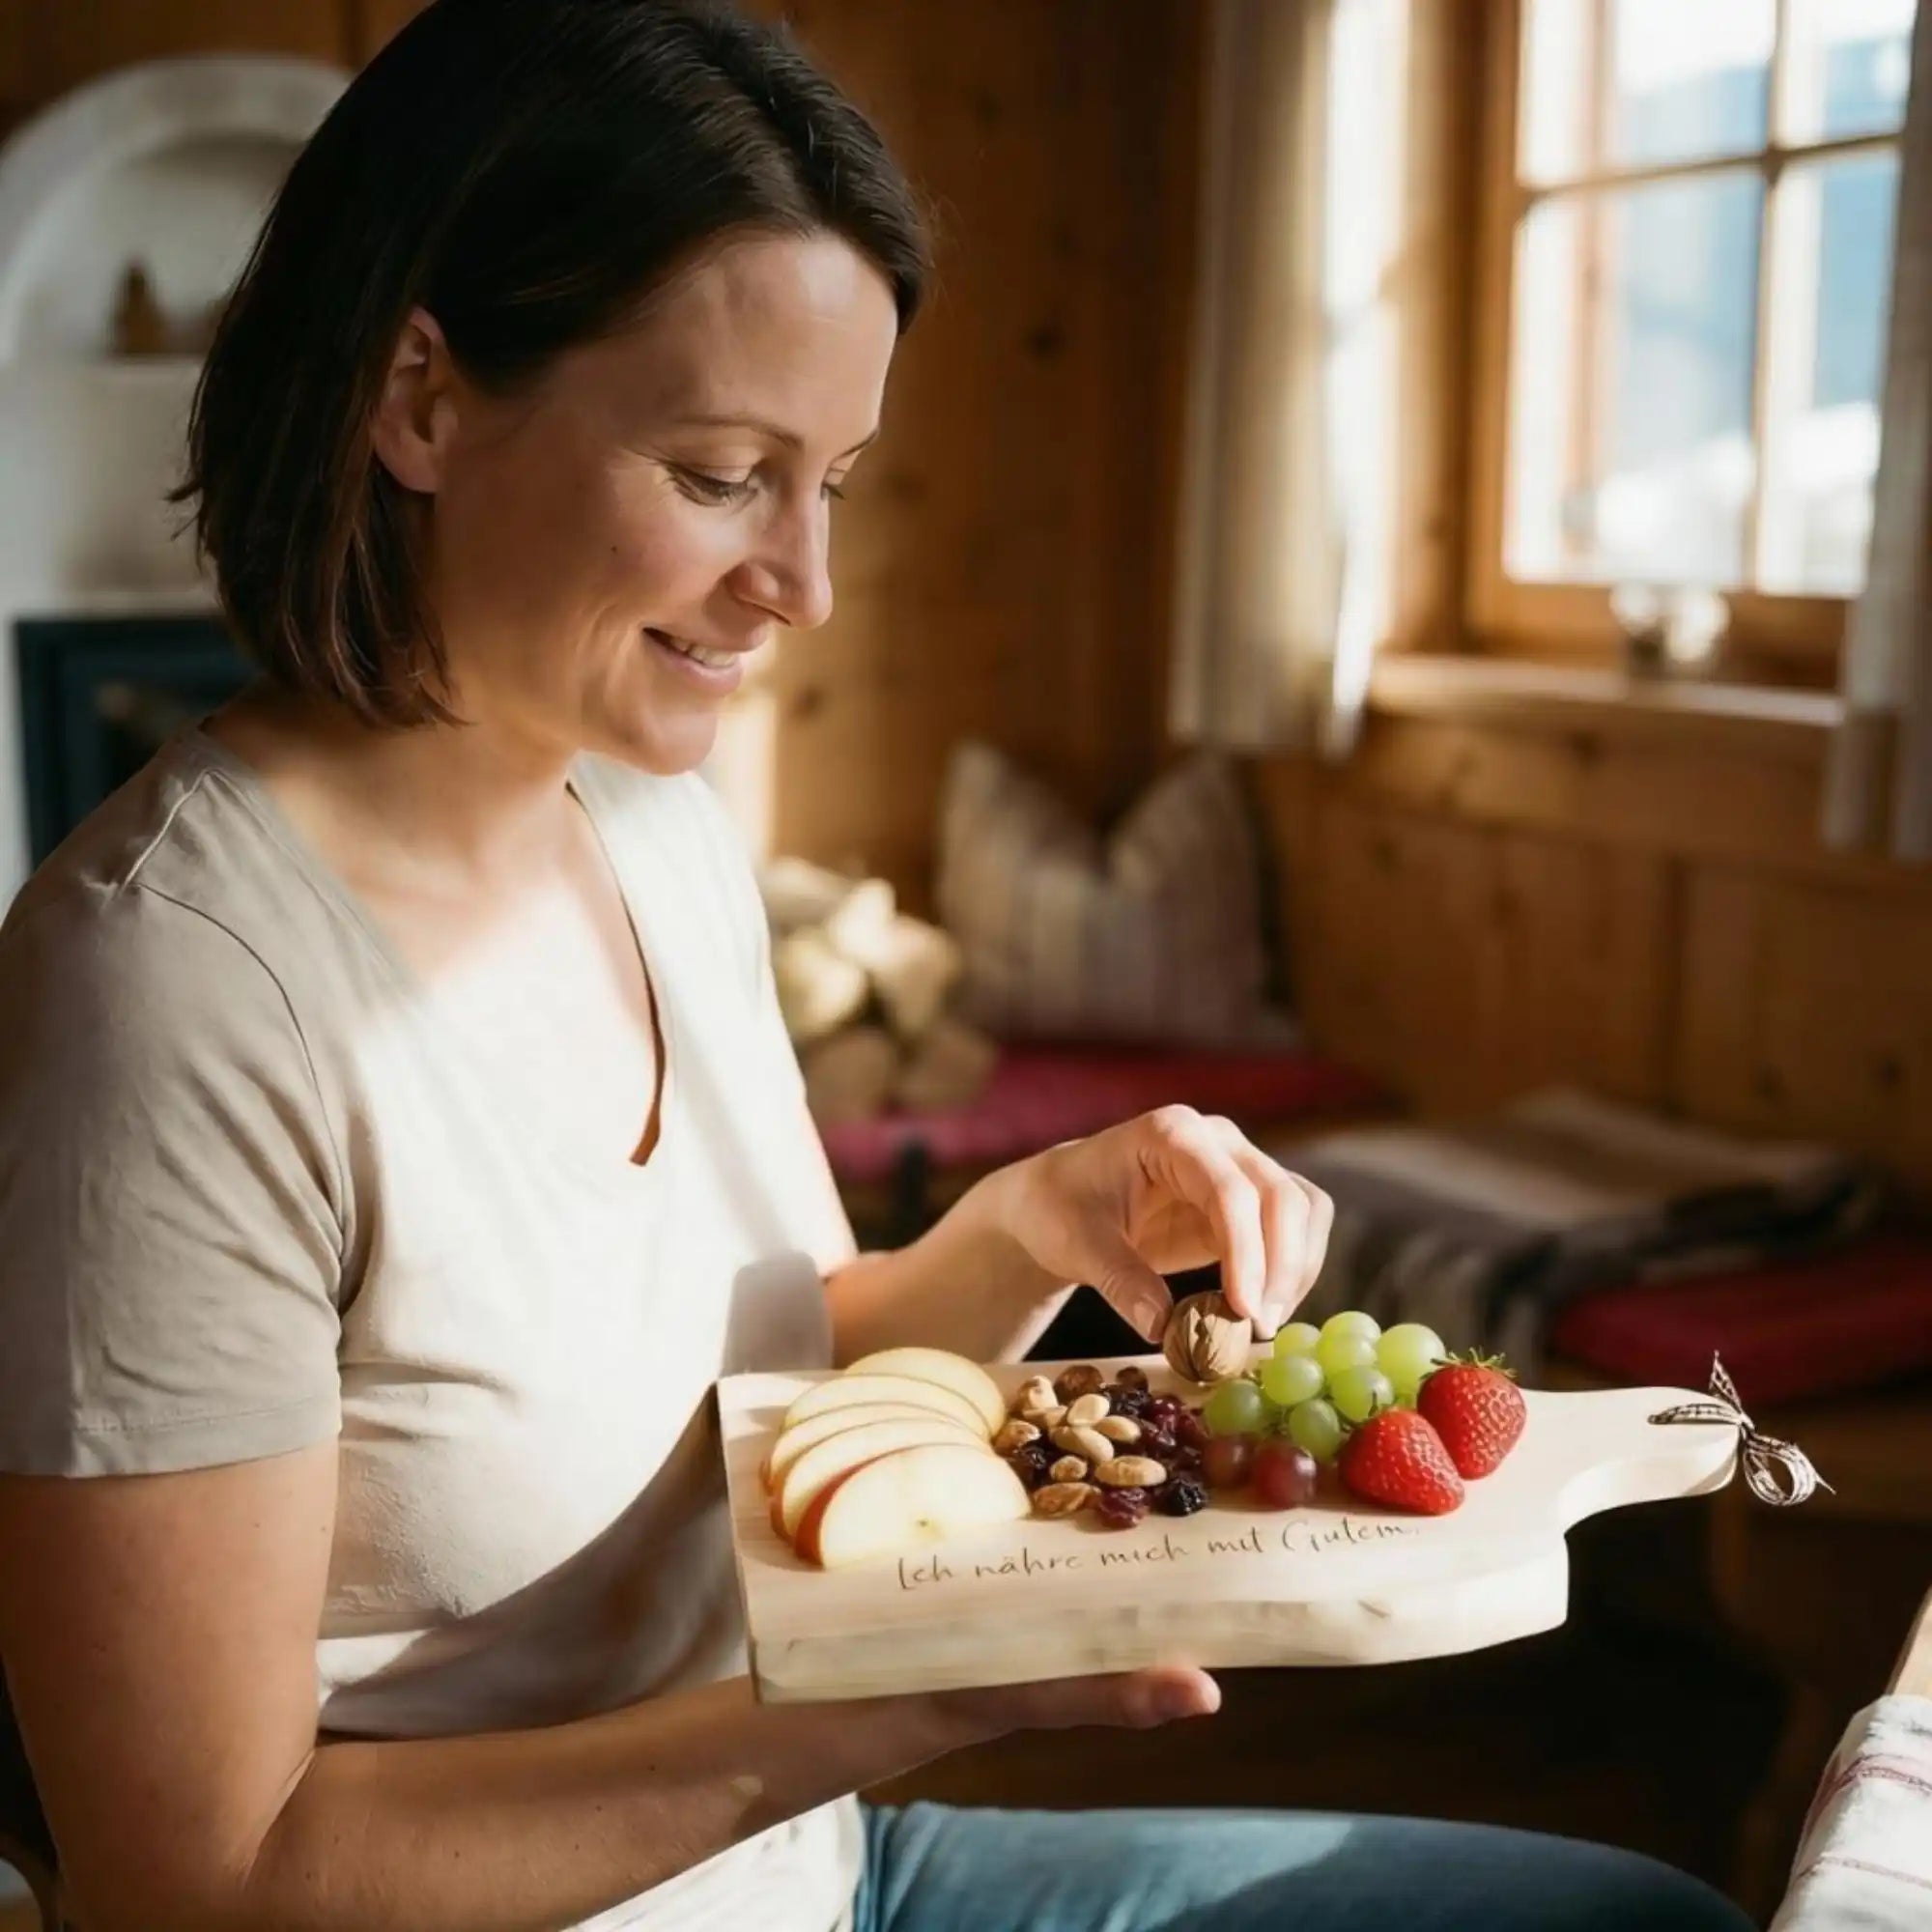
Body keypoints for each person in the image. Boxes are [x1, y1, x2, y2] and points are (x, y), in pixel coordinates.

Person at [0, 4, 1755, 1928]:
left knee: (1640, 1923)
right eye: (720, 471)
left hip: (810, 1879)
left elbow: (770, 1381)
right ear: (418, 398)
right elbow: (199, 1874)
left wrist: (1027, 1227)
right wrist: (912, 1695)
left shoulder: (651, 826)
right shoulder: (171, 996)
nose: (805, 584)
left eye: (829, 478)